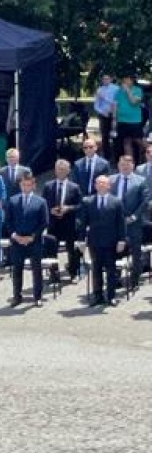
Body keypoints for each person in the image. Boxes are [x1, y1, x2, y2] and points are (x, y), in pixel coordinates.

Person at [81, 173, 127, 307]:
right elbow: (83, 222)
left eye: (104, 183)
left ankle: (111, 296)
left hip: (111, 242)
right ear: (95, 186)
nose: (101, 185)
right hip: (94, 242)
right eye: (98, 183)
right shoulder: (88, 201)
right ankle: (98, 296)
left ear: (109, 186)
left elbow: (121, 222)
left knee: (111, 270)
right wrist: (81, 240)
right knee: (96, 270)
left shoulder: (116, 202)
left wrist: (121, 240)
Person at [5, 170, 48, 307]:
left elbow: (44, 222)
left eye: (28, 185)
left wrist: (32, 237)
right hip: (17, 241)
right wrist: (14, 236)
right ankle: (17, 296)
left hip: (34, 241)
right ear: (20, 185)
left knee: (37, 270)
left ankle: (37, 297)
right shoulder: (12, 200)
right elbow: (8, 221)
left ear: (33, 185)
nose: (26, 187)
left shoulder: (41, 202)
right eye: (23, 185)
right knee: (17, 270)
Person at [44, 159, 84, 282]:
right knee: (51, 249)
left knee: (72, 250)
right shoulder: (48, 186)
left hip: (69, 223)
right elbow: (43, 204)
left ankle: (74, 273)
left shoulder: (74, 187)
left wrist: (68, 208)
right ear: (55, 171)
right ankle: (54, 274)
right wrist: (50, 210)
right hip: (53, 223)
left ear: (68, 171)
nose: (60, 172)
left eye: (63, 169)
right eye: (58, 169)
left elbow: (80, 205)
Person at [111, 154, 146, 286]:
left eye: (127, 165)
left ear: (133, 166)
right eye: (122, 165)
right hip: (115, 223)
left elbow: (144, 201)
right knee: (115, 250)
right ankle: (115, 278)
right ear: (118, 166)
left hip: (133, 222)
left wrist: (134, 216)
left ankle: (135, 278)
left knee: (136, 251)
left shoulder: (140, 181)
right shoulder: (111, 180)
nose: (125, 167)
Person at [117, 74, 145, 161]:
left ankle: (149, 150)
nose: (125, 81)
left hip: (134, 121)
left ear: (132, 81)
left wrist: (128, 91)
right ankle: (130, 162)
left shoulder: (138, 90)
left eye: (127, 79)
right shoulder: (119, 91)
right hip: (122, 120)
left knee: (138, 140)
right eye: (124, 79)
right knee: (126, 141)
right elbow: (116, 104)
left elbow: (133, 102)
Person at [93, 74, 120, 152]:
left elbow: (116, 102)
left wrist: (104, 98)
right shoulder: (99, 90)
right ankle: (106, 154)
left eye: (107, 79)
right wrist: (102, 112)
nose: (105, 80)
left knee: (115, 135)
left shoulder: (116, 89)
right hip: (104, 115)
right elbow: (96, 105)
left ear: (111, 79)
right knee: (105, 135)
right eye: (104, 79)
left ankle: (116, 153)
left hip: (114, 114)